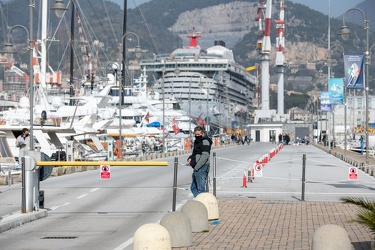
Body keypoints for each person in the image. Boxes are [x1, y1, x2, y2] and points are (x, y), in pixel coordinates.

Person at [187, 126, 212, 197]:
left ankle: (203, 203)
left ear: (202, 133)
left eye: (198, 134)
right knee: (193, 187)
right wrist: (190, 158)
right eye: (196, 134)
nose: (197, 136)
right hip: (197, 167)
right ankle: (200, 201)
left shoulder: (205, 141)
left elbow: (205, 155)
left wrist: (197, 167)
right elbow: (195, 153)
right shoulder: (197, 141)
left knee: (201, 189)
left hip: (202, 167)